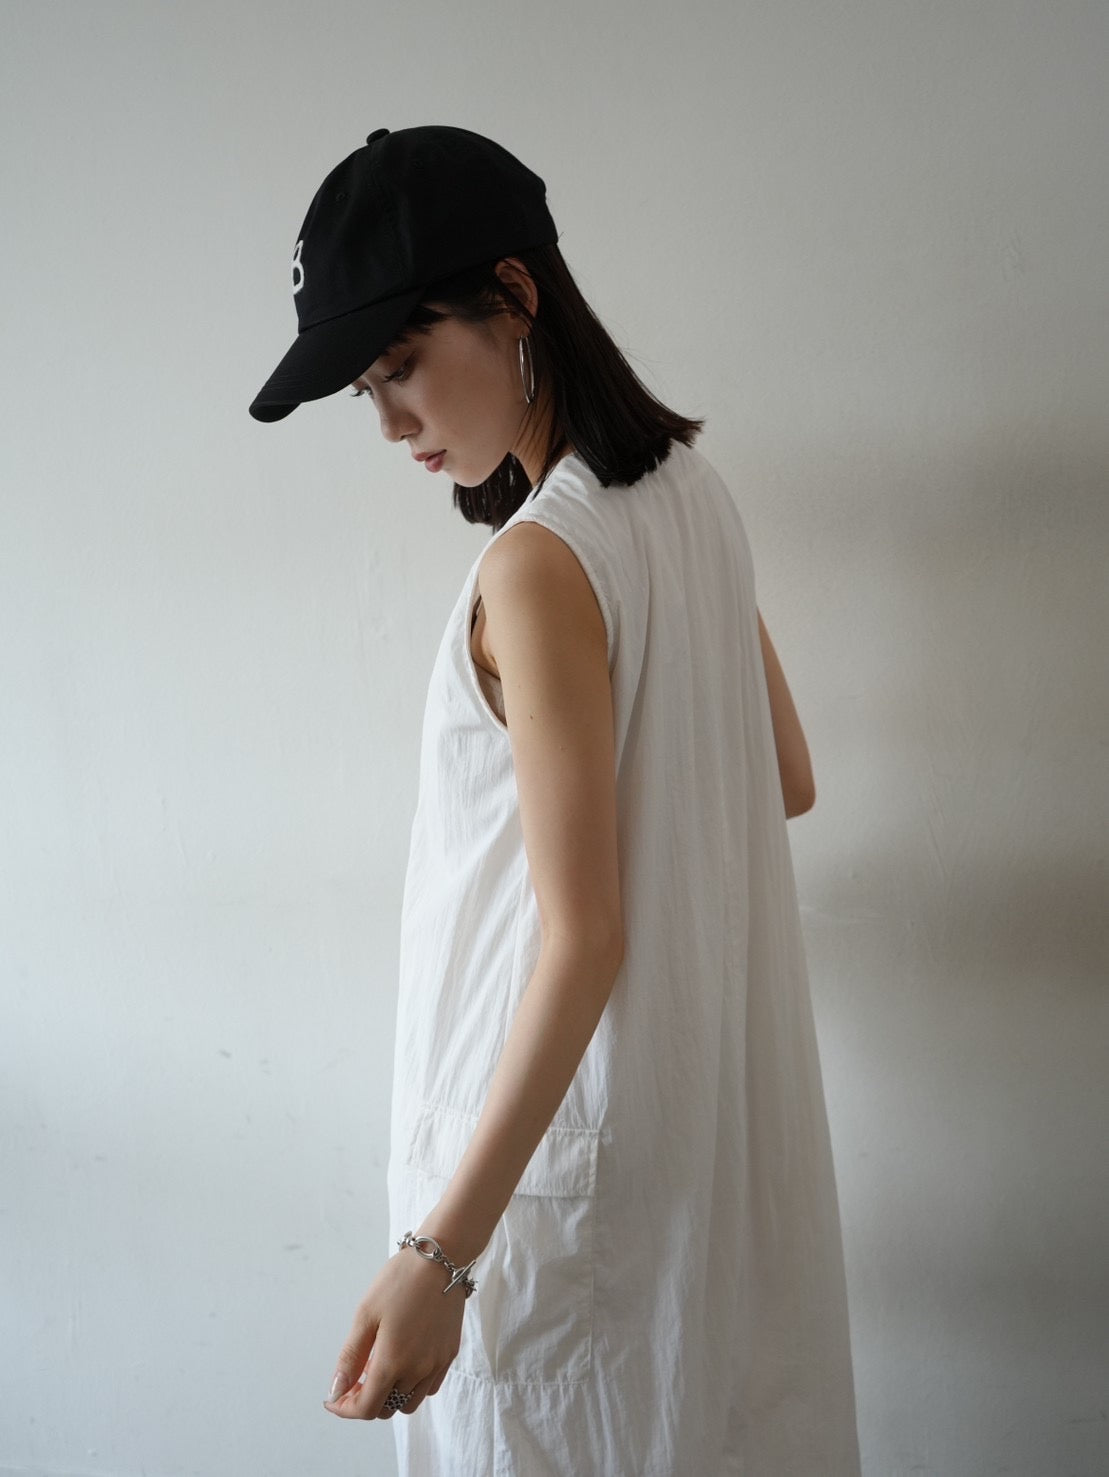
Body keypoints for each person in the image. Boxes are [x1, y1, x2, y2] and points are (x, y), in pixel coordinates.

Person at [250, 124, 861, 1476]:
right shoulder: (691, 499)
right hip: (668, 1157)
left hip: (542, 1198)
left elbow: (585, 938)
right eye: (366, 388)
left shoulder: (535, 567)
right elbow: (784, 776)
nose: (390, 422)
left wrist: (438, 1256)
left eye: (401, 364)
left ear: (515, 296)